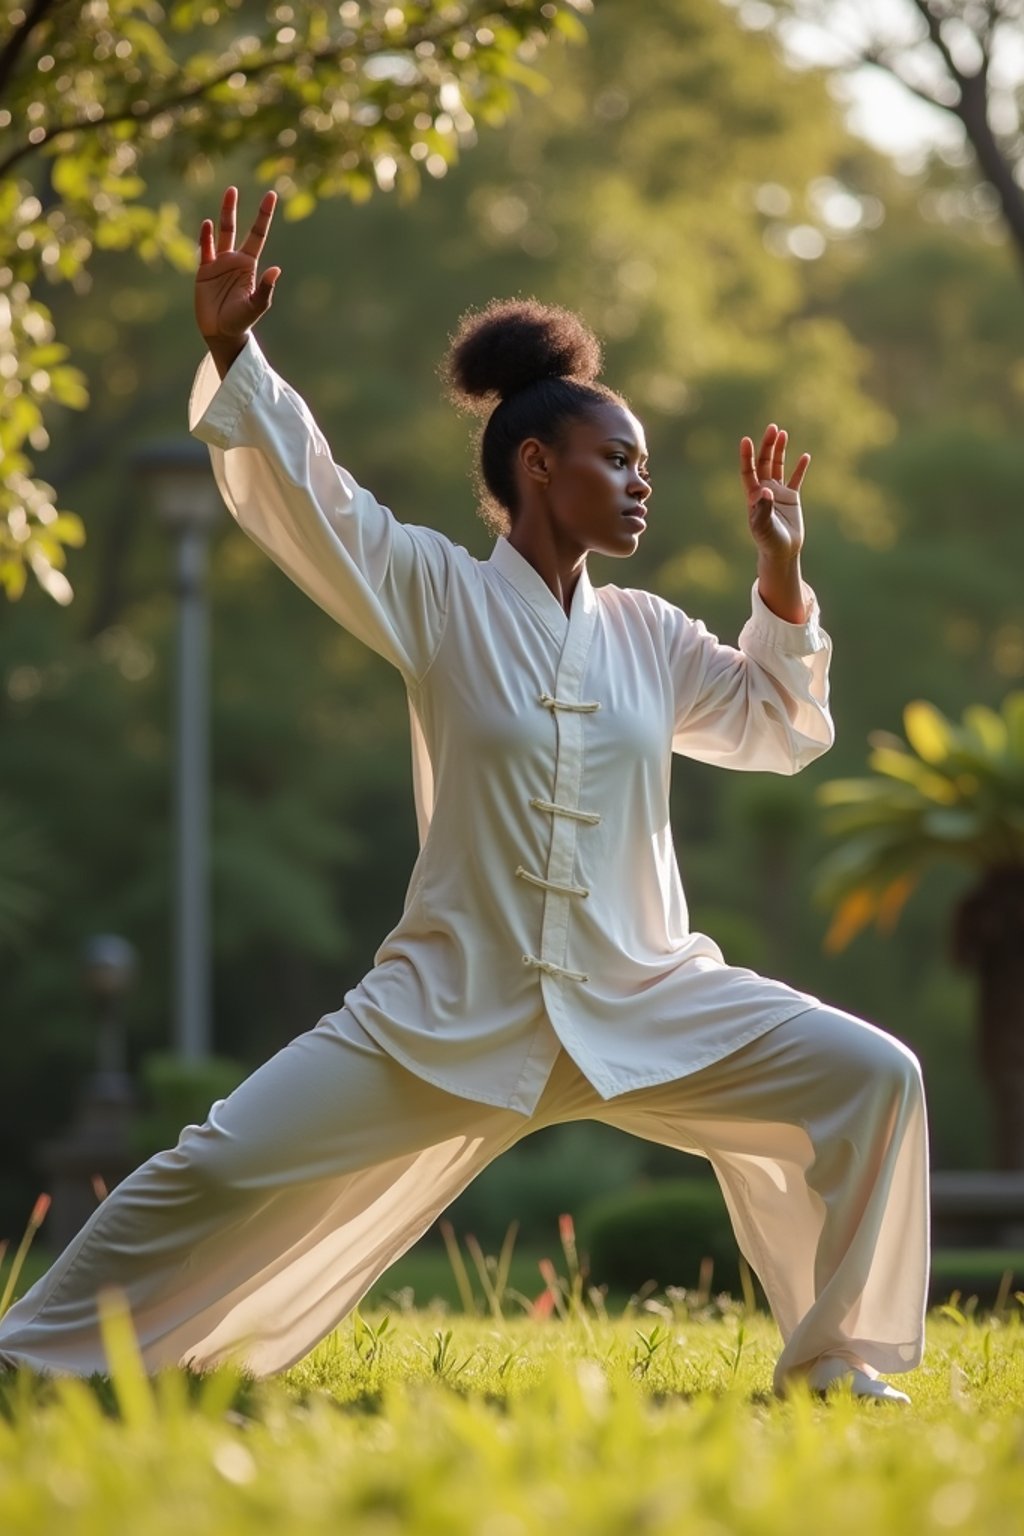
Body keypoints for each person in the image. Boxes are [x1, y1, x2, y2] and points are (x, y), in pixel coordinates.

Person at [0, 188, 928, 1403]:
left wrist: (783, 578)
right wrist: (234, 347)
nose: (644, 484)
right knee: (213, 1167)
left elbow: (780, 723)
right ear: (538, 465)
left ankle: (832, 1366)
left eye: (645, 467)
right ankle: (26, 1360)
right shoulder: (435, 594)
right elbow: (315, 497)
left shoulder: (647, 635)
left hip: (641, 996)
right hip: (449, 1011)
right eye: (619, 459)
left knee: (876, 1077)